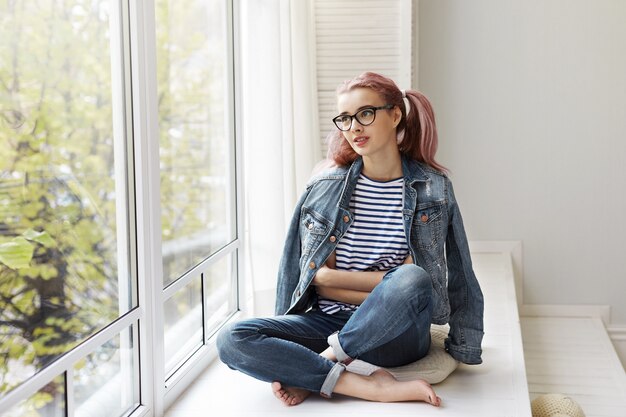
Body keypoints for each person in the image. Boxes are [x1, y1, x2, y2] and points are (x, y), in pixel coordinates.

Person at [216, 71, 484, 407]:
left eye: (365, 114)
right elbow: (302, 274)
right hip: (327, 321)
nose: (354, 127)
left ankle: (324, 364)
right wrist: (368, 286)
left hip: (398, 334)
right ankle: (372, 387)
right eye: (345, 119)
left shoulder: (432, 189)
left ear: (395, 114)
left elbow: (435, 277)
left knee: (412, 278)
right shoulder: (325, 186)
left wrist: (464, 342)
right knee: (232, 338)